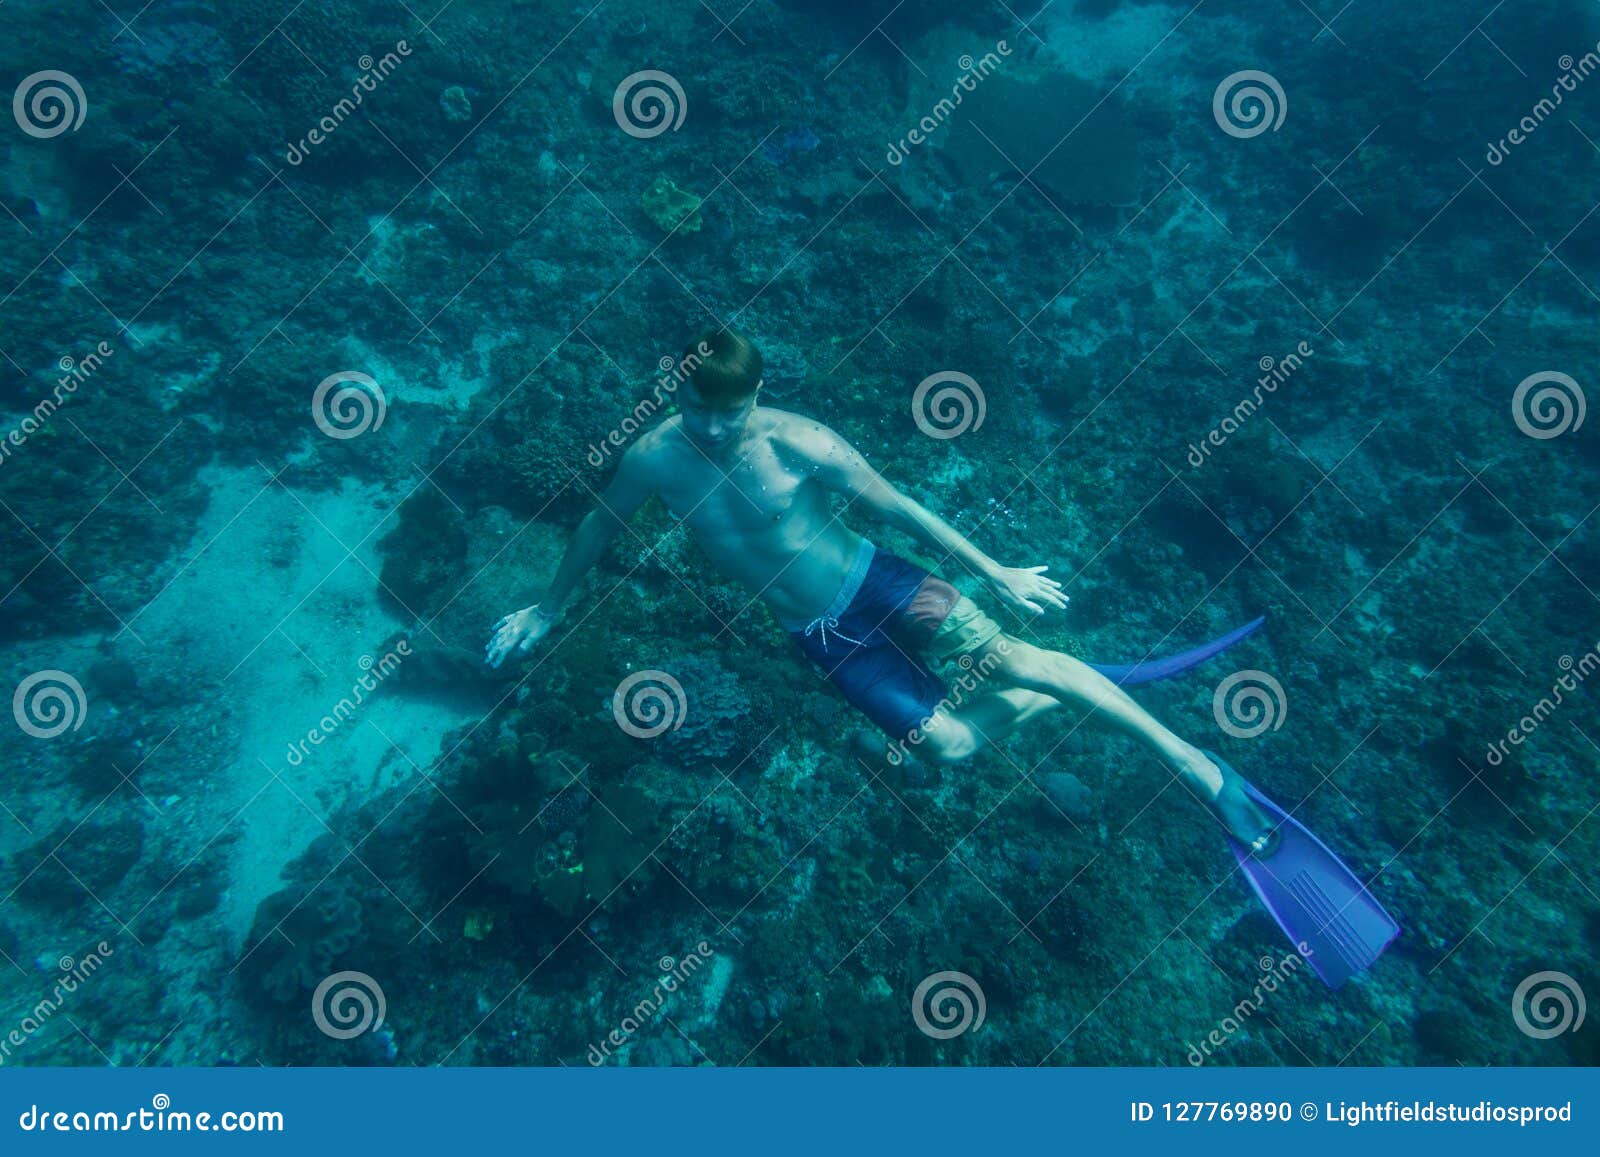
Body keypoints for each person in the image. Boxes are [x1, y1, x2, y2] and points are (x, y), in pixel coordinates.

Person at [485, 329, 1274, 847]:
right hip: (822, 638)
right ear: (674, 390)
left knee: (1013, 659)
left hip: (883, 582)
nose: (714, 428)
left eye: (731, 411)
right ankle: (1068, 686)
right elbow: (598, 526)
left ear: (756, 395)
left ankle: (1204, 772)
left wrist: (994, 569)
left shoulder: (801, 442)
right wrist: (547, 607)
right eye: (698, 408)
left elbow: (901, 508)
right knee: (951, 746)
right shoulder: (653, 459)